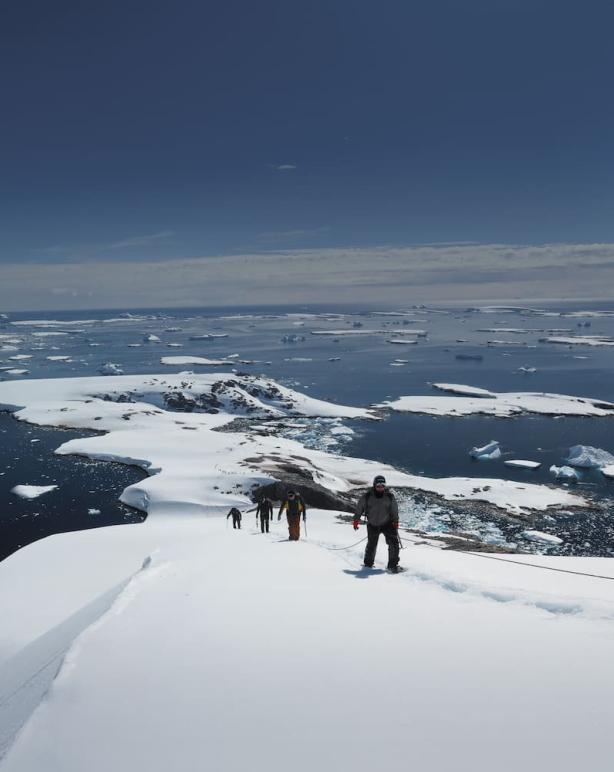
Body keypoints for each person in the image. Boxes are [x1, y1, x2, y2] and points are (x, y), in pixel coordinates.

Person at [353, 475, 400, 572]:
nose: (380, 487)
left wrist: (396, 521)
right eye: (378, 485)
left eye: (383, 485)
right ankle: (368, 565)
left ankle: (392, 566)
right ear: (374, 485)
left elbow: (394, 510)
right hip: (372, 524)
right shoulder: (367, 496)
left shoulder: (389, 497)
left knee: (394, 544)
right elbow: (359, 508)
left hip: (387, 523)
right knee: (371, 545)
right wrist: (356, 520)